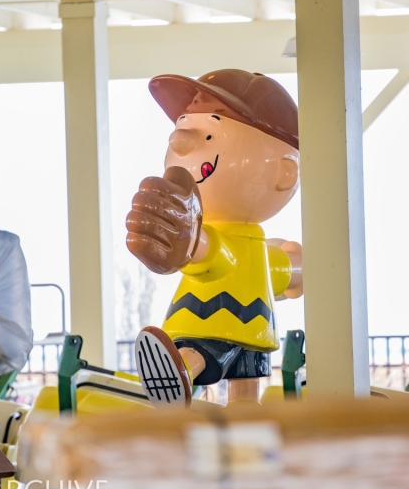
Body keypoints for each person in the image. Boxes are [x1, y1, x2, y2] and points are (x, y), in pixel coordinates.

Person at [126, 69, 304, 406]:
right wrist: (189, 241)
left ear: (285, 171)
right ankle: (180, 371)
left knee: (225, 364)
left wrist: (295, 269)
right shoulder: (219, 239)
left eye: (209, 137)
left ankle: (183, 373)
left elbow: (266, 267)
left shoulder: (249, 245)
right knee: (210, 353)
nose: (180, 143)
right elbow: (211, 252)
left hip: (236, 322)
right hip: (229, 323)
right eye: (181, 130)